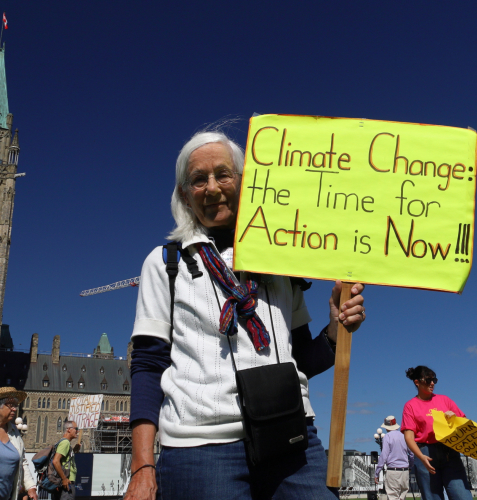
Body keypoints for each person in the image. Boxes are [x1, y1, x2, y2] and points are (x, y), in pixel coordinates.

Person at [125, 130, 366, 500]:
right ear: (185, 196)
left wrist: (336, 327)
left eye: (223, 174)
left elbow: (302, 359)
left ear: (245, 183)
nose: (212, 187)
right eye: (198, 180)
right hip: (199, 448)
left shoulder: (284, 264)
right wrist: (142, 465)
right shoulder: (164, 264)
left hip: (292, 439)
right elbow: (147, 365)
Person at [401, 366, 473, 500]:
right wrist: (421, 457)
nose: (432, 383)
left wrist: (455, 418)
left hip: (449, 452)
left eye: (434, 380)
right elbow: (409, 437)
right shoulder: (410, 406)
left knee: (462, 495)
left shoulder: (444, 400)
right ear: (417, 382)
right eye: (428, 380)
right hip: (425, 453)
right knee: (432, 497)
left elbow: (465, 424)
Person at [375, 415, 413, 500]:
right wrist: (410, 466)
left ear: (387, 427)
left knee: (393, 497)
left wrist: (377, 472)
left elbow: (384, 455)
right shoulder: (404, 436)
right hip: (405, 471)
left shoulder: (387, 437)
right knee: (402, 497)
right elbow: (412, 454)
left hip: (393, 471)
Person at [50, 420, 79, 500]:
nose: (77, 431)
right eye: (76, 428)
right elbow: (56, 461)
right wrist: (64, 478)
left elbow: (64, 460)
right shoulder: (65, 443)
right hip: (66, 484)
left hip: (64, 483)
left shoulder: (64, 442)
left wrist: (74, 450)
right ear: (69, 429)